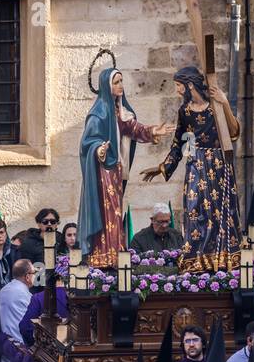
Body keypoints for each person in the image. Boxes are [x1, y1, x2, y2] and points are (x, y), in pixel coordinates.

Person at [141, 66, 242, 273]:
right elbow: (180, 145)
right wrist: (163, 167)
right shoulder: (185, 112)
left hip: (219, 166)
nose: (177, 91)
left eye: (178, 86)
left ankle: (222, 260)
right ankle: (197, 261)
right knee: (195, 211)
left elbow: (233, 133)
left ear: (188, 85)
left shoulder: (215, 106)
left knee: (220, 215)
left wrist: (224, 103)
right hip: (195, 166)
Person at [78, 68, 174, 266]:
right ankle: (102, 255)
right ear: (107, 86)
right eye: (116, 82)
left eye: (121, 81)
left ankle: (114, 252)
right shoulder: (98, 114)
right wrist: (99, 150)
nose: (121, 85)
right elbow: (88, 142)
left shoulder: (119, 110)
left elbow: (134, 128)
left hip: (116, 171)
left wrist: (154, 130)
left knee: (115, 212)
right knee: (106, 212)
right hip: (102, 172)